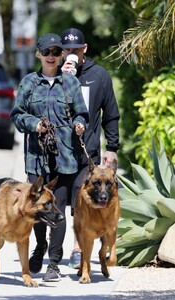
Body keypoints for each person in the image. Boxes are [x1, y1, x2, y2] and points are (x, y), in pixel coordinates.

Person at [10, 33, 89, 281]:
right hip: (37, 158)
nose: (52, 57)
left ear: (62, 54)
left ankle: (53, 264)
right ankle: (40, 245)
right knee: (37, 209)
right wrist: (34, 124)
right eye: (47, 52)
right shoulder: (28, 83)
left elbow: (82, 113)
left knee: (58, 211)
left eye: (56, 52)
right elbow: (16, 114)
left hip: (66, 157)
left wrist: (78, 124)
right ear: (39, 54)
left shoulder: (71, 84)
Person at [60, 28, 120, 269]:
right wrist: (62, 78)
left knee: (81, 201)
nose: (71, 53)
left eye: (76, 49)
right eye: (67, 50)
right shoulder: (55, 73)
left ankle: (77, 249)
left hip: (89, 152)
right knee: (59, 202)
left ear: (84, 49)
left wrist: (112, 146)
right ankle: (50, 248)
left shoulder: (100, 76)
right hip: (60, 151)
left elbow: (111, 114)